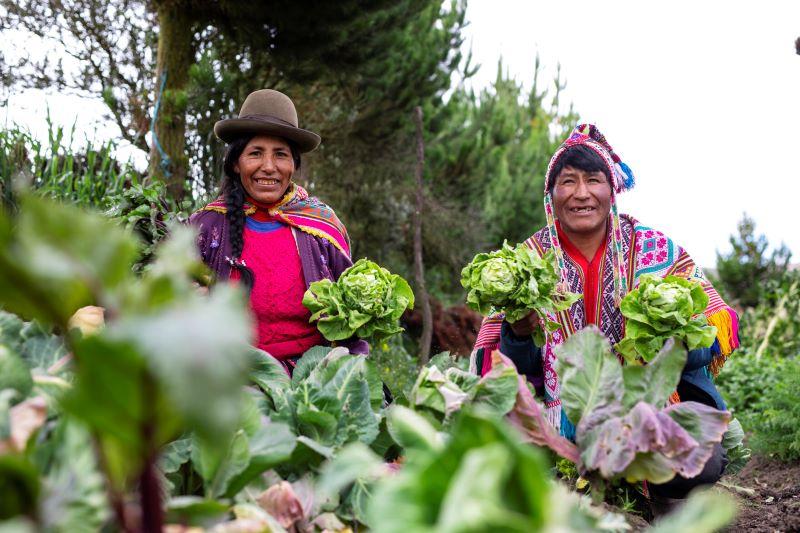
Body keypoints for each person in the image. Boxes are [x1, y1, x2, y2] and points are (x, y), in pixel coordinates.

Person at [469, 124, 738, 505]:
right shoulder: (525, 262)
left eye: (593, 180)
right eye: (568, 182)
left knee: (701, 463)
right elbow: (506, 369)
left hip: (644, 414)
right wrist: (517, 332)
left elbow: (709, 340)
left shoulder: (656, 251)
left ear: (612, 190)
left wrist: (667, 343)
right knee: (496, 462)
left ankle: (643, 491)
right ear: (552, 195)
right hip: (554, 421)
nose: (581, 194)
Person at [190, 89, 367, 373]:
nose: (269, 167)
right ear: (236, 163)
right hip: (227, 377)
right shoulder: (207, 227)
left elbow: (352, 316)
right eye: (255, 153)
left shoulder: (322, 229)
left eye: (281, 155)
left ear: (294, 165)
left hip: (310, 378)